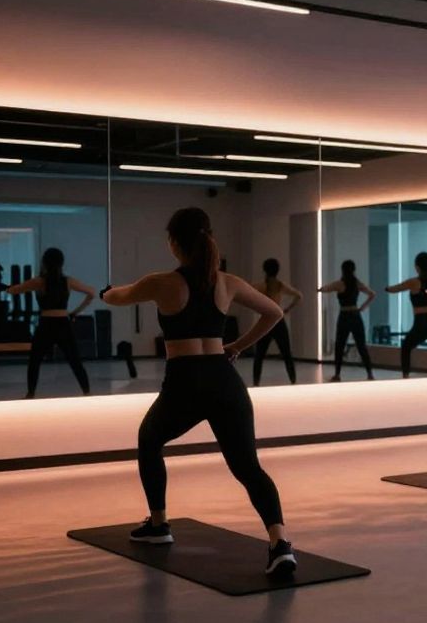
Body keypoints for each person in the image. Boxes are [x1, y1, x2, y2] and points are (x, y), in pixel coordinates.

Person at [100, 207, 295, 575]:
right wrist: (237, 345)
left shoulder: (161, 282)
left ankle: (158, 525)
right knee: (248, 468)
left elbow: (120, 297)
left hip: (185, 383)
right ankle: (280, 543)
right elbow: (274, 313)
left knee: (149, 439)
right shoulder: (228, 282)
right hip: (224, 381)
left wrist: (105, 293)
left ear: (175, 243)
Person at [7, 248, 93, 397]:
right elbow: (91, 293)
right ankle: (87, 392)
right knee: (75, 360)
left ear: (44, 263)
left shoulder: (39, 281)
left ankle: (31, 393)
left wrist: (6, 288)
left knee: (35, 360)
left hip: (46, 324)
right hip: (63, 323)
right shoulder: (68, 281)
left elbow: (14, 291)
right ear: (61, 263)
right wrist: (75, 312)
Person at [318, 260, 376, 381]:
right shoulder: (357, 283)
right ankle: (370, 374)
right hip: (355, 315)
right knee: (361, 345)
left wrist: (320, 289)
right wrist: (362, 308)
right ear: (353, 270)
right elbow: (372, 294)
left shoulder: (340, 283)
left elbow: (326, 288)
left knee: (340, 345)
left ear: (343, 270)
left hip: (344, 315)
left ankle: (337, 374)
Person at [251, 258, 301, 386]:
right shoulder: (280, 285)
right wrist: (287, 309)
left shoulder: (261, 286)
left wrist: (259, 308)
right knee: (286, 353)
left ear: (265, 270)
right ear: (277, 270)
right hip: (278, 320)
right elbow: (299, 295)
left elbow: (248, 293)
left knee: (259, 355)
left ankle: (256, 383)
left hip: (266, 320)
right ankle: (293, 381)